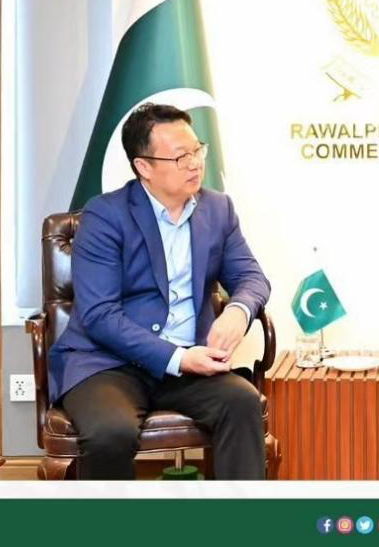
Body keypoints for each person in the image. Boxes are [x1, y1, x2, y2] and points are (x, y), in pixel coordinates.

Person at [47, 103, 271, 479]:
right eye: (180, 156)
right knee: (110, 433)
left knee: (241, 402)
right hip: (109, 363)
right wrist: (178, 358)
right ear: (144, 167)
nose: (194, 163)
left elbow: (251, 276)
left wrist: (238, 310)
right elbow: (100, 316)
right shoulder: (104, 216)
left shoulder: (218, 209)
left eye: (197, 150)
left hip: (190, 365)